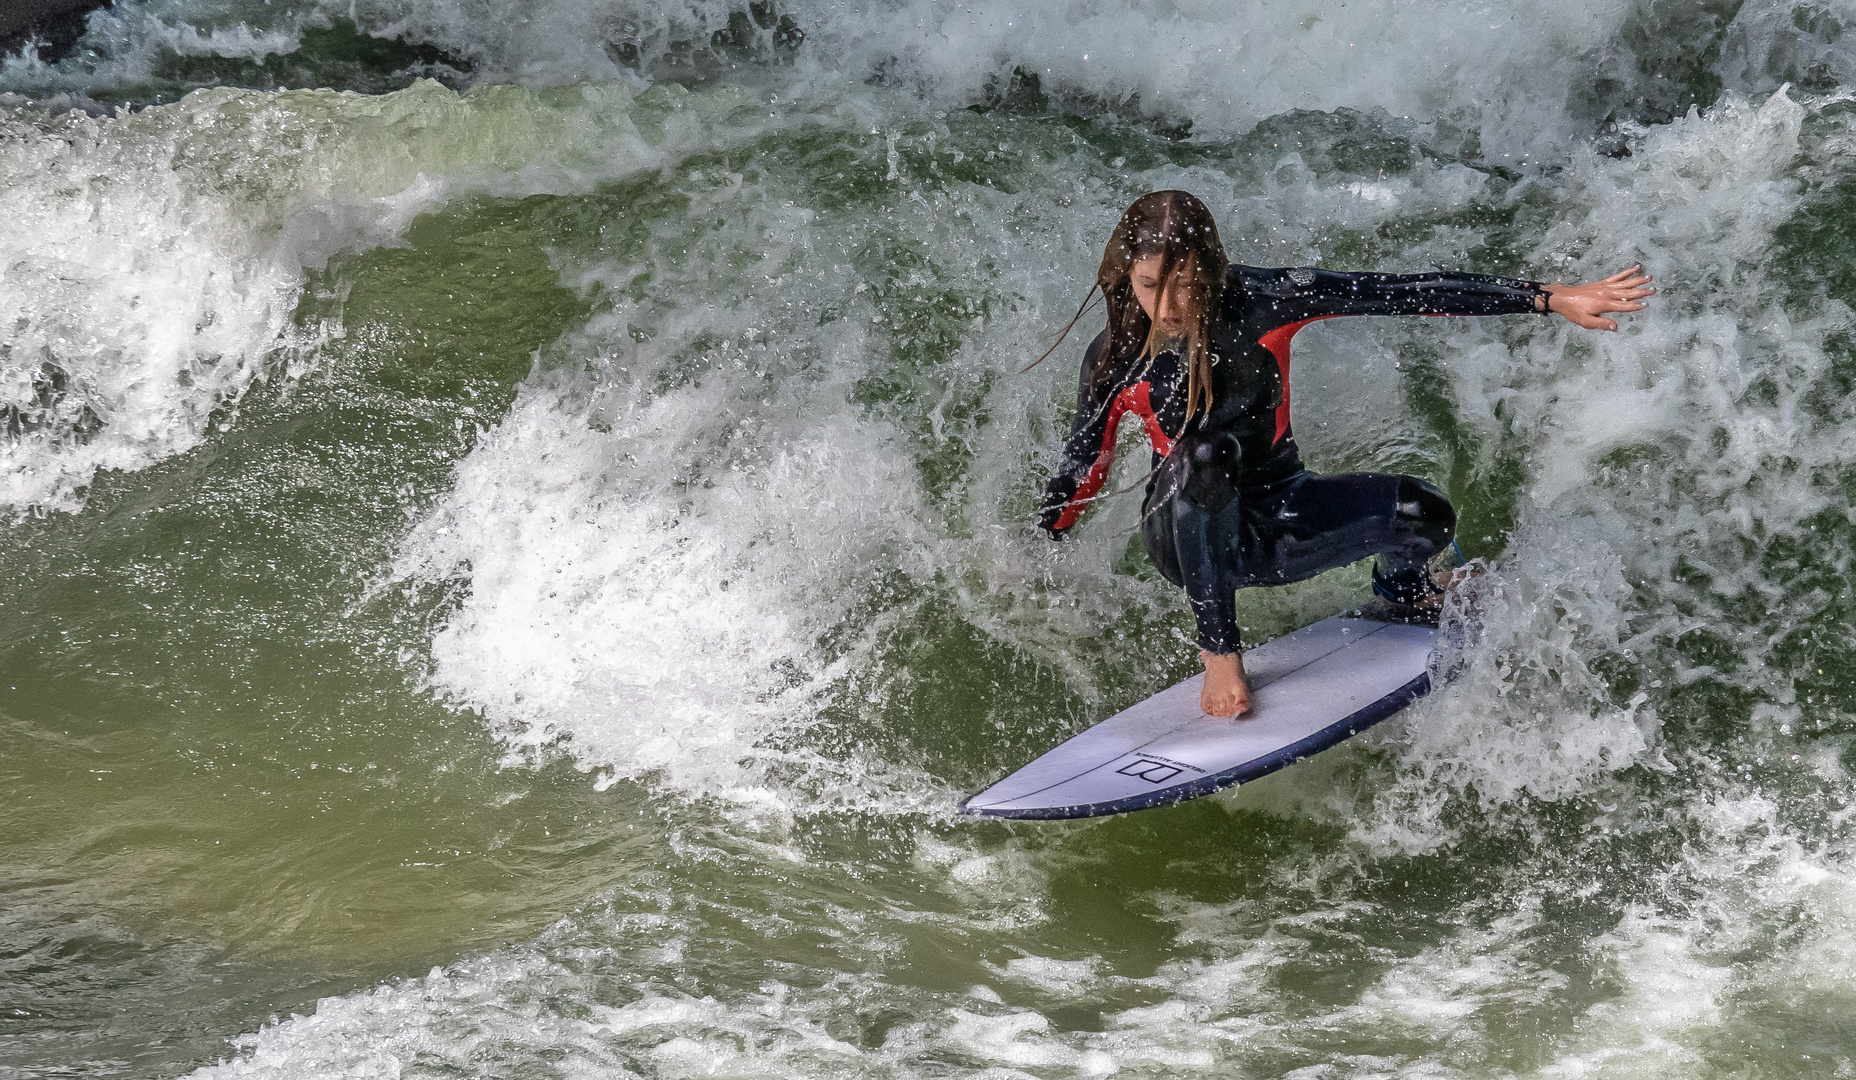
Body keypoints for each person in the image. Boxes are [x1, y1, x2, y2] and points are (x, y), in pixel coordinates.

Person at [1035, 190, 1652, 718]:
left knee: (1423, 514)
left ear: (1214, 272)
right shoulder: (1117, 357)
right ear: (1130, 275)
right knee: (1205, 452)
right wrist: (1042, 547)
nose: (1168, 307)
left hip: (1277, 519)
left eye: (1187, 287)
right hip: (1184, 537)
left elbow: (1403, 292)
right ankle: (1219, 653)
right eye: (1150, 286)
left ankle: (1406, 591)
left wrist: (1550, 298)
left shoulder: (1267, 303)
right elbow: (1082, 464)